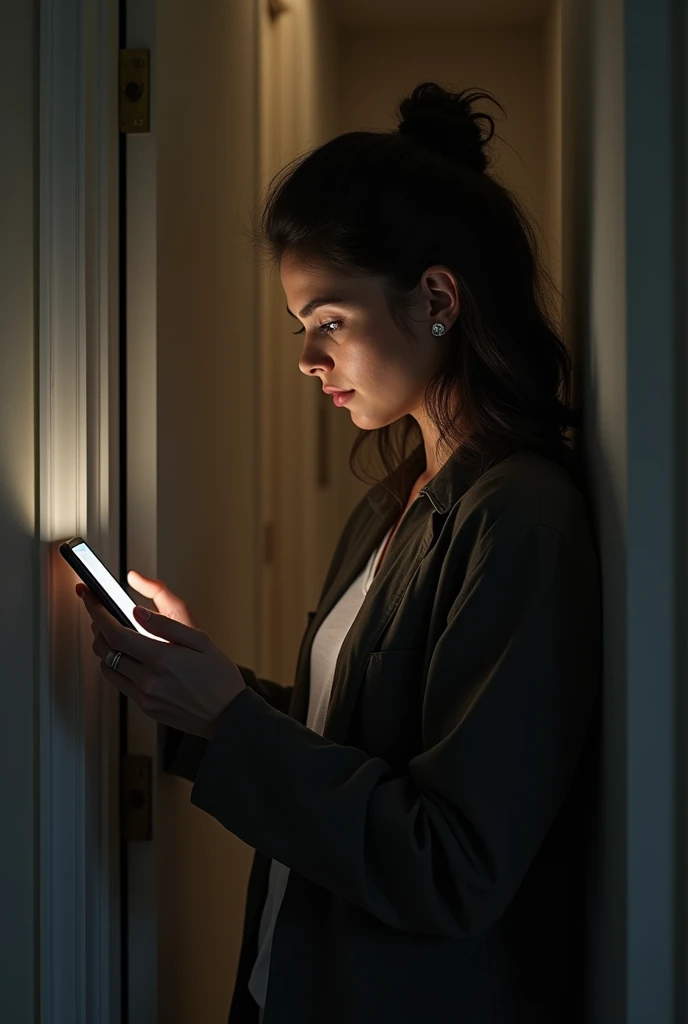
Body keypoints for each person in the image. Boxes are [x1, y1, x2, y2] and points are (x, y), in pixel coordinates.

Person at [78, 83, 602, 1023]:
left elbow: (455, 864)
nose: (308, 359)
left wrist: (231, 720)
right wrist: (201, 694)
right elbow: (349, 743)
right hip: (293, 978)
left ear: (437, 298)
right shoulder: (394, 502)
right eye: (300, 329)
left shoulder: (522, 523)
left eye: (329, 322)